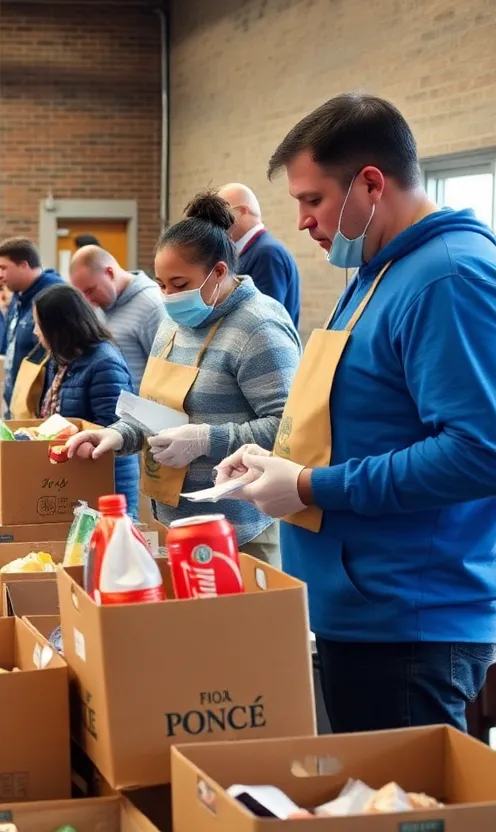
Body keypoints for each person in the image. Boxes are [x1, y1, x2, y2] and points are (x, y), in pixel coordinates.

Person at [218, 93, 496, 734]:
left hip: (407, 623)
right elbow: (367, 412)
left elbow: (477, 451)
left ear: (370, 183)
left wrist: (312, 485)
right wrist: (277, 459)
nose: (303, 222)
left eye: (313, 200)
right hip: (356, 607)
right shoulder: (378, 273)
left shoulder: (446, 278)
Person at [64, 192, 301, 566]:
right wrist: (118, 434)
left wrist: (207, 439)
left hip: (237, 533)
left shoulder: (259, 328)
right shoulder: (172, 323)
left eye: (179, 283)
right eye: (161, 284)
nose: (169, 296)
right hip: (172, 520)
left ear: (219, 272)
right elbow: (159, 412)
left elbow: (289, 430)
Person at [32, 284, 137, 515]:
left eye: (39, 325)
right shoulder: (61, 358)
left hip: (107, 486)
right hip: (73, 479)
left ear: (59, 327)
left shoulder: (104, 364)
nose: (35, 332)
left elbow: (116, 430)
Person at [69, 245, 166, 388]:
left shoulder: (152, 305)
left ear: (109, 273)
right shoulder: (100, 306)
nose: (88, 301)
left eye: (90, 290)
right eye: (82, 294)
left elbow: (165, 375)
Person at [219, 182, 302, 328]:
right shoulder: (253, 251)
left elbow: (265, 322)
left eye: (220, 213)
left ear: (242, 212)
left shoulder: (268, 254)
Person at [0, 237, 63, 416]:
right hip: (16, 400)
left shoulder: (52, 296)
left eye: (3, 268)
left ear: (24, 265)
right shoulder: (18, 296)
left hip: (38, 406)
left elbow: (57, 355)